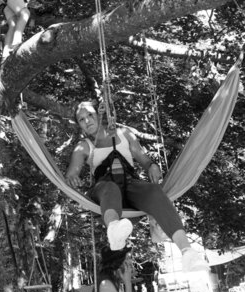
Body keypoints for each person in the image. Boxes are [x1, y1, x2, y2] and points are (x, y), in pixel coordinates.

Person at [65, 101, 209, 273]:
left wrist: (152, 166)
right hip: (104, 190)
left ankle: (187, 252)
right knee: (110, 187)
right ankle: (114, 229)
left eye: (90, 115)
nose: (87, 120)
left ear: (99, 113)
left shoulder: (124, 134)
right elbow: (71, 173)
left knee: (154, 191)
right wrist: (72, 178)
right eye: (81, 119)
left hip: (131, 186)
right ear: (79, 125)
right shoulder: (83, 146)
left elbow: (145, 160)